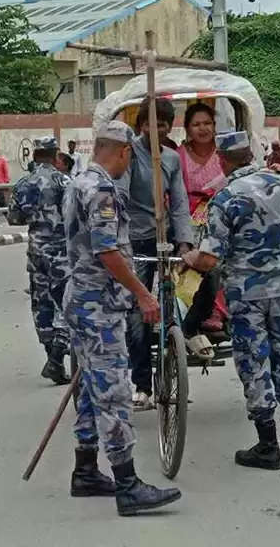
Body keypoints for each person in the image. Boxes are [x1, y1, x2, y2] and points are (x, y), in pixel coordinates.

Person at [183, 131, 280, 470]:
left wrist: (189, 258)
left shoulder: (225, 198)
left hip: (246, 296)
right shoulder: (279, 184)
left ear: (223, 160)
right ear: (250, 154)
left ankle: (267, 445)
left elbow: (210, 260)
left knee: (254, 362)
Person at [62, 120, 181, 515]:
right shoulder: (101, 190)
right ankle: (128, 483)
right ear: (125, 152)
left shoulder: (78, 181)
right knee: (113, 391)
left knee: (91, 391)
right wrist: (144, 294)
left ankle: (85, 469)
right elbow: (107, 251)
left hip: (81, 300)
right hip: (98, 304)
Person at [118, 98, 195, 410]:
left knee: (171, 307)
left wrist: (185, 243)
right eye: (151, 123)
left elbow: (178, 203)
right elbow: (121, 195)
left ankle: (172, 374)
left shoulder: (172, 159)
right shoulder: (129, 154)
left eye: (163, 124)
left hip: (165, 239)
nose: (157, 129)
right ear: (141, 125)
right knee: (138, 311)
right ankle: (141, 383)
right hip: (134, 241)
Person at [13, 137, 72, 385]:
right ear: (56, 154)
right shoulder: (64, 181)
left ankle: (52, 359)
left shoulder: (23, 183)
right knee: (66, 302)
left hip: (36, 251)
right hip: (61, 252)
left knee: (42, 304)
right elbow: (74, 216)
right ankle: (57, 358)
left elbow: (14, 218)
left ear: (35, 155)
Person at [178, 103, 227, 341]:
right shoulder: (178, 155)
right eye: (196, 124)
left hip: (222, 215)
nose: (202, 128)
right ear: (187, 128)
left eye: (207, 123)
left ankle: (219, 313)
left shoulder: (224, 153)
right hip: (186, 217)